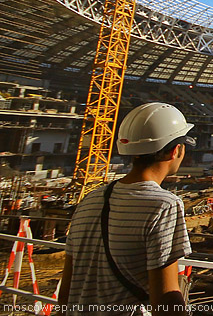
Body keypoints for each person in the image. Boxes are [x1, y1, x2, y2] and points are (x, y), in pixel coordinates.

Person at [59, 103, 195, 316]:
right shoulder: (164, 205)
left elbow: (66, 289)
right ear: (176, 150)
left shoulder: (90, 200)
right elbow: (165, 298)